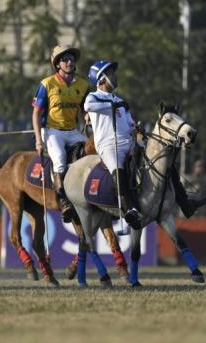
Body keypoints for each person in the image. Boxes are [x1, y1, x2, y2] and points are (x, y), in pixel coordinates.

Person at [31, 44, 90, 221]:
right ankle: (63, 199)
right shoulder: (47, 84)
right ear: (58, 64)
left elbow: (84, 109)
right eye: (65, 59)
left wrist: (87, 117)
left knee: (93, 153)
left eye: (71, 58)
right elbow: (36, 112)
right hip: (52, 131)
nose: (69, 62)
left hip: (73, 131)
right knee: (60, 161)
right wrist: (38, 140)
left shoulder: (82, 84)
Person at [84, 60, 143, 229]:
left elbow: (129, 122)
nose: (114, 76)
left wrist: (136, 127)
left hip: (127, 140)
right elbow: (88, 106)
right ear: (101, 79)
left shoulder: (120, 100)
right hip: (108, 145)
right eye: (110, 73)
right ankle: (128, 209)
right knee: (118, 168)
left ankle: (182, 198)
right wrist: (112, 105)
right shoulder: (93, 97)